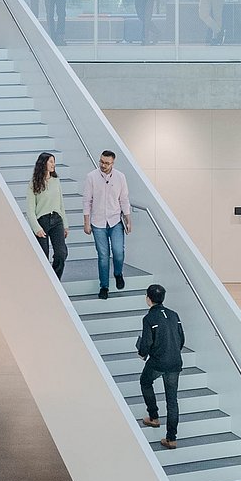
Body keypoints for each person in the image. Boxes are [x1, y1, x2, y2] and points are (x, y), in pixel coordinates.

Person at [136, 284, 186, 449]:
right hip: (175, 361)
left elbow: (146, 343)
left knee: (145, 381)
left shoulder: (149, 318)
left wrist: (142, 353)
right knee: (172, 400)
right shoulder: (173, 315)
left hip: (158, 361)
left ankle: (154, 416)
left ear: (148, 299)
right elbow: (181, 339)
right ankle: (171, 438)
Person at [82, 149, 132, 299]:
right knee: (103, 255)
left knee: (118, 252)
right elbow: (87, 201)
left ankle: (118, 273)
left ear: (113, 163)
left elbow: (124, 199)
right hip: (97, 222)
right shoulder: (91, 177)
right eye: (101, 162)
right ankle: (104, 286)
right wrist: (86, 222)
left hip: (115, 220)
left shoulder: (120, 177)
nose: (103, 165)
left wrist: (129, 220)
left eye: (106, 163)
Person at [28, 152, 68, 279]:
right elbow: (30, 210)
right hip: (42, 222)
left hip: (57, 220)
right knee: (43, 255)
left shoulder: (56, 181)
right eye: (51, 161)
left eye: (54, 161)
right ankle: (44, 282)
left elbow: (61, 204)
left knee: (61, 253)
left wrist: (65, 225)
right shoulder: (33, 183)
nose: (53, 164)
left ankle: (55, 279)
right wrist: (37, 228)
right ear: (43, 163)